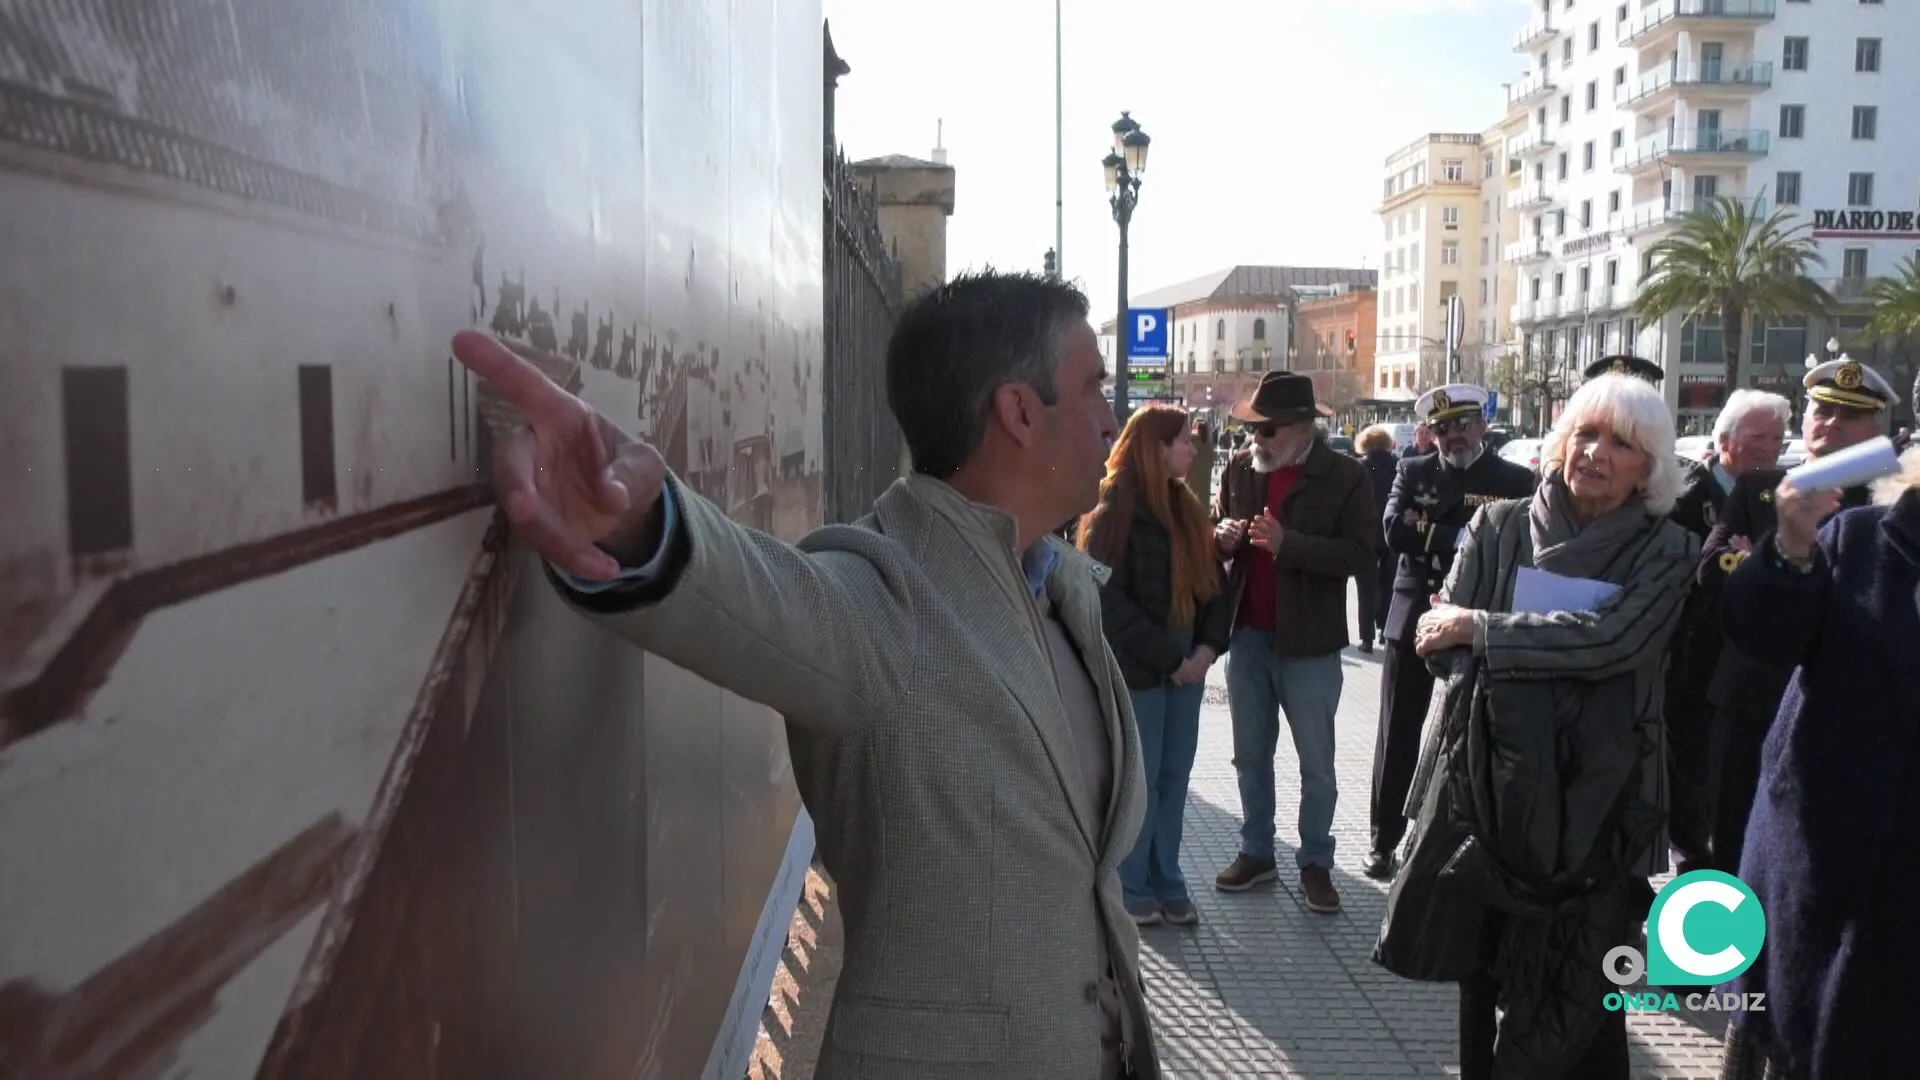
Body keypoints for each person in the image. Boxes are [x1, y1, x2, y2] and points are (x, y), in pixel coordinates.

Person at [450, 271, 1162, 1079]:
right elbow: (759, 596)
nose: (1113, 419)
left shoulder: (1061, 588)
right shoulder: (885, 596)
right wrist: (639, 526)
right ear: (1021, 412)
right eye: (1095, 389)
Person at [1373, 373, 1698, 1080]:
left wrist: (1488, 633)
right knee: (1482, 992)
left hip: (1603, 808)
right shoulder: (1496, 526)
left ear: (1652, 467)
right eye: (1585, 434)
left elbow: (1616, 641)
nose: (1596, 453)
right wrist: (1489, 644)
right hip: (1485, 799)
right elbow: (1437, 642)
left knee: (1582, 1008)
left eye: (1622, 443)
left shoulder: (1668, 549)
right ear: (1560, 442)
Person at [1718, 443, 1920, 1080]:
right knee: (1793, 1038)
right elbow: (1760, 635)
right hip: (1817, 879)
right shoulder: (1861, 541)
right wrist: (1791, 549)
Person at [1696, 356, 1898, 877]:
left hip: (1835, 709)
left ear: (1877, 429)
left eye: (1848, 415)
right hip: (1749, 701)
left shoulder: (1892, 502)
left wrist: (1764, 555)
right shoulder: (1763, 489)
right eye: (1821, 411)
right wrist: (1778, 554)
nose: (1830, 423)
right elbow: (1711, 574)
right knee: (1730, 853)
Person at [1208, 372, 1376, 913]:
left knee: (1317, 764)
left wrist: (1290, 545)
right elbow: (1216, 525)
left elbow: (1360, 555)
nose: (1256, 439)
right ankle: (1257, 851)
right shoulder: (1239, 469)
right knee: (1249, 755)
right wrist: (1222, 538)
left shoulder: (1345, 475)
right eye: (1253, 428)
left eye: (1269, 429)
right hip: (1249, 635)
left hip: (1310, 642)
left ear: (1304, 428)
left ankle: (1316, 863)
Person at [1367, 384, 1535, 881]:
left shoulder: (1514, 478)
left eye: (1462, 425)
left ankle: (1476, 842)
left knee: (1486, 732)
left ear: (1482, 425)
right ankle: (1383, 842)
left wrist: (1442, 534)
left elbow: (1529, 542)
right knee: (1398, 731)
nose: (1452, 437)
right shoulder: (1415, 470)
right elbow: (1394, 529)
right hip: (1415, 611)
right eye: (1442, 428)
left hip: (1481, 617)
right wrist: (1465, 535)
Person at [1078, 405, 1231, 928]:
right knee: (1139, 781)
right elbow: (1107, 600)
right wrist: (1171, 660)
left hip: (1188, 665)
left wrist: (1206, 651)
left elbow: (1214, 588)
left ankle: (1168, 878)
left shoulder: (1188, 507)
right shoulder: (1112, 509)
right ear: (1155, 447)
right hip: (1141, 669)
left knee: (1174, 776)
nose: (1192, 448)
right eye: (1184, 440)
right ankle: (1134, 884)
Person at [1355, 424, 1400, 653]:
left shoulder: (1359, 467)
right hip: (1391, 533)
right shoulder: (1397, 465)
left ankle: (1366, 638)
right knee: (1390, 583)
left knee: (1366, 588)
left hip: (1365, 533)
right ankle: (1386, 630)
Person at [1186, 418, 1218, 508]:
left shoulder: (1191, 440)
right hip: (1205, 479)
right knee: (1203, 505)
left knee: (1189, 503)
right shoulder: (1209, 444)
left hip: (1191, 477)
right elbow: (1212, 462)